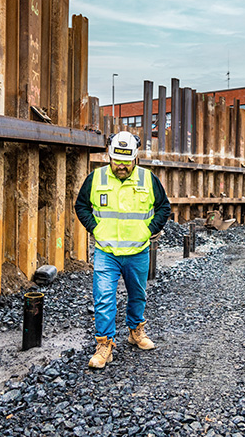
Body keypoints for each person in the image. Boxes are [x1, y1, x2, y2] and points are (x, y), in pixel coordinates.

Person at [75, 131, 171, 369]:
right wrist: (95, 229)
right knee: (104, 297)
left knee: (137, 295)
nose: (121, 166)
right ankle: (104, 345)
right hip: (106, 252)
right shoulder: (96, 179)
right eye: (117, 160)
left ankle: (136, 330)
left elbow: (164, 207)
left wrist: (148, 231)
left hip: (138, 251)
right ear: (109, 157)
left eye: (126, 162)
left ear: (135, 159)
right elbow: (81, 206)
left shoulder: (148, 180)